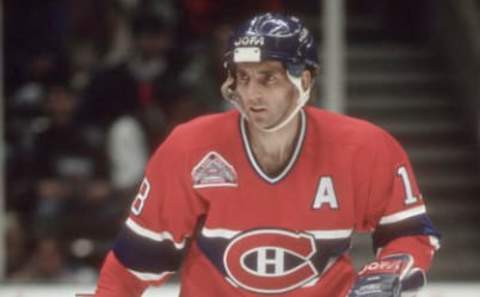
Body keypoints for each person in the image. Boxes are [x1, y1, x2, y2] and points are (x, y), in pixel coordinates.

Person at [94, 13, 440, 297]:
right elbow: (135, 262)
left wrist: (390, 270)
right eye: (243, 78)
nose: (251, 93)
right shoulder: (190, 148)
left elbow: (408, 232)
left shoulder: (364, 147)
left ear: (303, 80)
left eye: (267, 78)